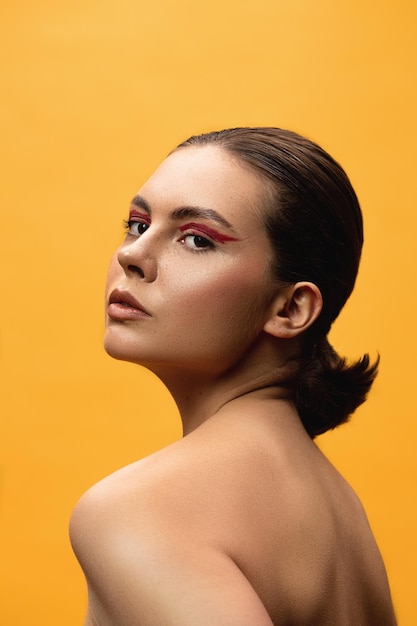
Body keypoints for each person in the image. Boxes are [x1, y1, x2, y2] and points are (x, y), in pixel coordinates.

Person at [70, 127, 397, 625]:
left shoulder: (143, 510)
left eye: (197, 239)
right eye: (138, 224)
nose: (131, 256)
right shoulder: (342, 516)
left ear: (291, 308)